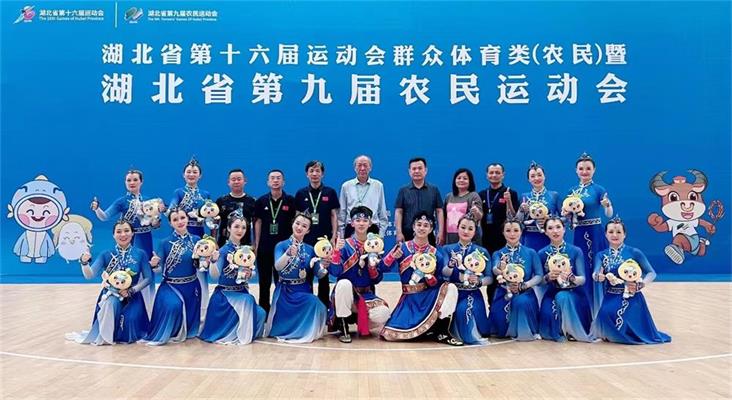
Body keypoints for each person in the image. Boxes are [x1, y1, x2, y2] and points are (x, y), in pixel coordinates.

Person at [381, 212, 462, 346]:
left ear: (431, 229)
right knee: (390, 335)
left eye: (426, 225)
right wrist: (393, 257)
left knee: (450, 288)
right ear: (413, 227)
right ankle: (427, 331)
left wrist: (430, 278)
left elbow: (439, 280)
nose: (422, 228)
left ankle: (442, 331)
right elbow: (382, 268)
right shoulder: (402, 248)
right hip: (409, 299)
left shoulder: (435, 253)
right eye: (419, 224)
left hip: (427, 296)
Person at [66, 220, 152, 345]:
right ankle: (106, 337)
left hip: (133, 295)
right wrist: (84, 263)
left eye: (126, 231)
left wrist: (131, 290)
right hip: (111, 294)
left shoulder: (140, 254)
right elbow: (89, 275)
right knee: (110, 304)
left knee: (130, 321)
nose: (123, 234)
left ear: (132, 233)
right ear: (113, 235)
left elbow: (148, 278)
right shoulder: (106, 254)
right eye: (119, 232)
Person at [591, 218, 671, 345]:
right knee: (605, 313)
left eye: (618, 232)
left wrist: (641, 284)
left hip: (631, 296)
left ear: (625, 234)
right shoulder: (601, 255)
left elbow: (651, 273)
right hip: (610, 295)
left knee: (617, 317)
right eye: (611, 232)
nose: (615, 235)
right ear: (605, 234)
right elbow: (595, 273)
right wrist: (597, 276)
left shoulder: (634, 252)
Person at [200, 210, 266, 345]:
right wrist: (213, 262)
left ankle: (247, 333)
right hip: (225, 295)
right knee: (249, 299)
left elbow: (252, 273)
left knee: (261, 313)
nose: (240, 230)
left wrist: (249, 274)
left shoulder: (245, 251)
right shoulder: (223, 251)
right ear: (229, 228)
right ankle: (241, 336)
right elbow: (214, 276)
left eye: (243, 227)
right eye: (236, 226)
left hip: (241, 292)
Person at [327, 206, 391, 343]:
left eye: (365, 220)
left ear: (370, 223)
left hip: (366, 295)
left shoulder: (375, 246)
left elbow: (377, 279)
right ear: (352, 223)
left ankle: (360, 320)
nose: (361, 223)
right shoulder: (344, 245)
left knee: (384, 313)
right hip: (346, 295)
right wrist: (336, 252)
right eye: (358, 220)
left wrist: (372, 267)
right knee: (343, 283)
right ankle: (343, 324)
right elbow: (335, 272)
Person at [264, 213, 329, 343]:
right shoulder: (281, 245)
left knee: (319, 306)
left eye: (304, 226)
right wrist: (287, 254)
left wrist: (325, 266)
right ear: (292, 224)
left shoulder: (311, 249)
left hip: (303, 289)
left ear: (308, 230)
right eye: (297, 223)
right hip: (285, 291)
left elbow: (319, 274)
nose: (299, 227)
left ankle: (304, 331)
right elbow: (277, 267)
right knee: (312, 302)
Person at [144, 208, 205, 345]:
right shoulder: (164, 243)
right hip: (171, 286)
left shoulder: (197, 241)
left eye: (182, 218)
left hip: (192, 286)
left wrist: (208, 259)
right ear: (170, 223)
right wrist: (154, 265)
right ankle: (169, 331)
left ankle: (188, 329)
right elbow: (159, 271)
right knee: (173, 305)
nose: (180, 222)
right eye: (175, 219)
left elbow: (201, 266)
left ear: (187, 219)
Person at [567, 153, 614, 314]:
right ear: (576, 170)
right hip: (579, 232)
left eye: (588, 168)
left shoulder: (599, 189)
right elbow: (568, 216)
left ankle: (601, 308)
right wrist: (566, 214)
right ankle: (585, 308)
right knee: (581, 267)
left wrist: (607, 206)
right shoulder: (572, 190)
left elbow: (609, 214)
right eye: (581, 169)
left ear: (594, 170)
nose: (584, 172)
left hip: (595, 232)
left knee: (597, 267)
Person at [537, 217, 594, 342]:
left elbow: (582, 279)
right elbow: (539, 282)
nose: (555, 231)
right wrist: (547, 277)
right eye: (550, 228)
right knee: (548, 317)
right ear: (545, 232)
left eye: (558, 227)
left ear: (564, 229)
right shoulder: (541, 253)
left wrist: (572, 277)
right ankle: (562, 330)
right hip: (552, 293)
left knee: (563, 296)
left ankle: (571, 330)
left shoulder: (575, 251)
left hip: (574, 292)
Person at [487, 219, 543, 341]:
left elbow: (539, 275)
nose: (512, 234)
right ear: (503, 233)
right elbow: (495, 270)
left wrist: (525, 285)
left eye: (516, 230)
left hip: (525, 292)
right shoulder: (498, 253)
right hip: (504, 292)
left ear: (521, 232)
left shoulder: (531, 253)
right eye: (508, 230)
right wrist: (501, 267)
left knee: (520, 302)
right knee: (500, 326)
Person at [441, 214, 492, 345]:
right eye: (463, 227)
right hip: (452, 294)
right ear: (457, 228)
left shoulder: (482, 251)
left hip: (472, 292)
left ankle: (471, 334)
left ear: (475, 232)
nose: (466, 231)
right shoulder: (447, 249)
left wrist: (479, 281)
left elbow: (490, 278)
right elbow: (444, 274)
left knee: (463, 310)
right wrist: (450, 265)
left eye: (470, 228)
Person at [90, 169, 163, 260]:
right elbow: (104, 217)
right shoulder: (121, 201)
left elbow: (155, 225)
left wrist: (157, 218)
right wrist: (97, 209)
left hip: (145, 238)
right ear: (125, 182)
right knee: (126, 263)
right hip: (126, 238)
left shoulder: (149, 201)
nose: (132, 183)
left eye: (135, 180)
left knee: (145, 262)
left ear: (141, 182)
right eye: (129, 180)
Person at [295, 160, 340, 307]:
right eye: (311, 171)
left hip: (324, 241)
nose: (314, 174)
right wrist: (297, 238)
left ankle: (323, 308)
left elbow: (334, 215)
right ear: (307, 174)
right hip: (306, 241)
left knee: (323, 276)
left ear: (322, 174)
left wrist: (334, 235)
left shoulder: (330, 192)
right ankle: (307, 307)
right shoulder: (301, 193)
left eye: (317, 171)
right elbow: (297, 218)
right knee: (306, 275)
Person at [254, 169, 296, 314]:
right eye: (272, 178)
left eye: (278, 178)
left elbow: (295, 222)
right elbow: (258, 223)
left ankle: (281, 310)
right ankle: (264, 311)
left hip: (284, 249)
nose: (276, 180)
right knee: (264, 282)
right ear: (268, 182)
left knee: (282, 281)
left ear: (283, 182)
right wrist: (256, 244)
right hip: (265, 248)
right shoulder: (261, 201)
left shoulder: (290, 201)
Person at [478, 162, 519, 305]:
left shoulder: (510, 192)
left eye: (497, 172)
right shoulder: (482, 194)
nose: (494, 175)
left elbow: (514, 217)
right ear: (487, 175)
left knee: (506, 273)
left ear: (503, 175)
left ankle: (508, 305)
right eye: (491, 172)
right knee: (491, 275)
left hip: (505, 241)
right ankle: (492, 307)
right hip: (487, 241)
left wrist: (509, 201)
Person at [394, 157, 445, 246]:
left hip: (428, 234)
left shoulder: (434, 189)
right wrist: (399, 232)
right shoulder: (403, 190)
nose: (417, 171)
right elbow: (399, 212)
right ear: (409, 171)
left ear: (426, 170)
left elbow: (439, 211)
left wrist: (441, 232)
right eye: (414, 169)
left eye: (420, 168)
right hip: (407, 234)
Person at [338, 155, 389, 238]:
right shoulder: (346, 186)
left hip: (372, 227)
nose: (362, 168)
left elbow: (382, 212)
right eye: (359, 165)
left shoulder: (378, 185)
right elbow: (342, 213)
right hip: (351, 228)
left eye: (365, 165)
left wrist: (381, 235)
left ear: (370, 168)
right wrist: (341, 235)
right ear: (355, 168)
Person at [516, 162, 561, 251]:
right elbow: (517, 222)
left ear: (545, 176)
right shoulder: (524, 197)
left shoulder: (554, 195)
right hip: (529, 238)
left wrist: (550, 220)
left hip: (549, 237)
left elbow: (565, 218)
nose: (536, 178)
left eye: (539, 175)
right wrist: (521, 210)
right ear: (529, 179)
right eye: (532, 176)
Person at [168, 157, 212, 237]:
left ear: (200, 175)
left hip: (199, 231)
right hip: (181, 230)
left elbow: (210, 215)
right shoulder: (178, 192)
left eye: (195, 172)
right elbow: (170, 211)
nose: (191, 175)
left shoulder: (205, 194)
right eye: (188, 172)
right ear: (183, 175)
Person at [214, 169, 256, 248]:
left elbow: (255, 224)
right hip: (223, 244)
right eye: (233, 179)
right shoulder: (221, 201)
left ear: (245, 181)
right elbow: (215, 223)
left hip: (245, 246)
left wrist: (255, 244)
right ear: (228, 182)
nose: (236, 182)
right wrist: (214, 241)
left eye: (239, 179)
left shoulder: (252, 201)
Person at [444, 168, 483, 245]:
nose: (461, 180)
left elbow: (479, 217)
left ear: (470, 181)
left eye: (465, 178)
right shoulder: (448, 196)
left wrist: (476, 212)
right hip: (450, 237)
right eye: (459, 178)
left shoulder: (474, 196)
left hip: (468, 237)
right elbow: (444, 217)